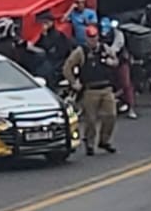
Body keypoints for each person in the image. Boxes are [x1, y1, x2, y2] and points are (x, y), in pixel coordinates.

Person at [63, 24, 120, 155]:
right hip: (90, 90)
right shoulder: (81, 52)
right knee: (91, 119)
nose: (93, 41)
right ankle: (89, 143)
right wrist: (73, 82)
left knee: (111, 115)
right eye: (90, 38)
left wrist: (112, 62)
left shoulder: (104, 48)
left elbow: (115, 60)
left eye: (95, 38)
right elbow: (67, 67)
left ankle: (104, 140)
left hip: (106, 87)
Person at [31, 11, 72, 83]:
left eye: (45, 23)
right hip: (44, 64)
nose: (43, 25)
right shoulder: (40, 35)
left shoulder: (58, 35)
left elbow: (58, 52)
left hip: (56, 65)